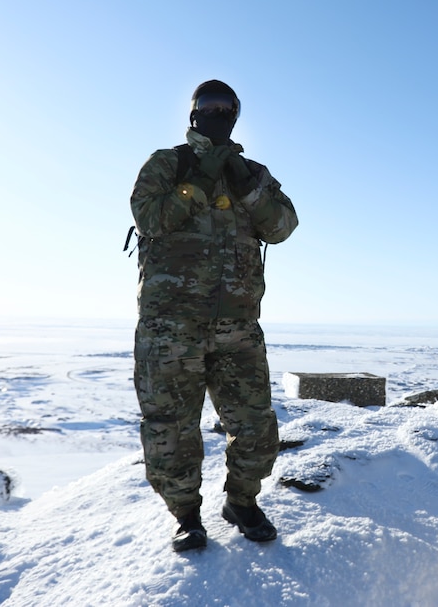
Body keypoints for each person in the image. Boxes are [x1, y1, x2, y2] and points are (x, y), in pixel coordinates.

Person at [130, 79, 298, 553]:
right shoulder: (168, 164)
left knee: (257, 426)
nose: (217, 113)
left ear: (236, 115)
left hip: (238, 329)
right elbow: (151, 218)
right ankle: (186, 517)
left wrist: (248, 189)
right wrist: (199, 181)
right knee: (171, 431)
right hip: (170, 330)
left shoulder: (252, 172)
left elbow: (283, 226)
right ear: (193, 112)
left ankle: (242, 503)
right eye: (209, 105)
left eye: (227, 107)